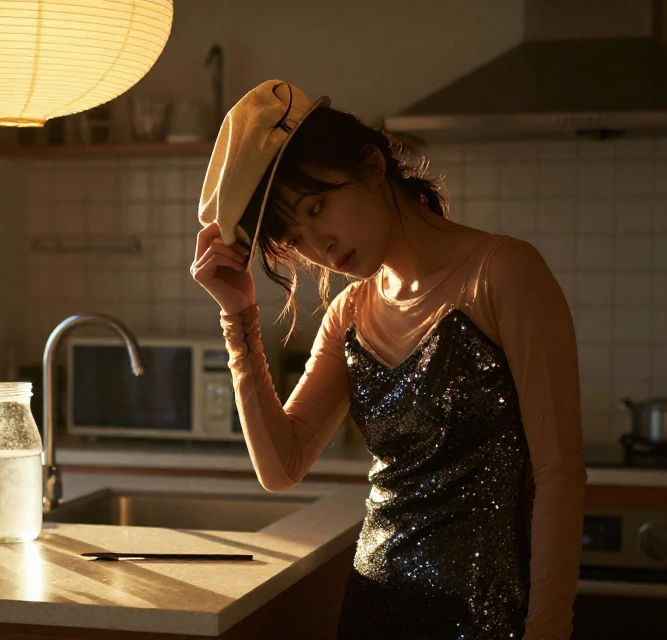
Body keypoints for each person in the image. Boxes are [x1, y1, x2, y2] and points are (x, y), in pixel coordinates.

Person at [191, 80, 586, 639]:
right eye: (295, 236)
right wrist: (238, 316)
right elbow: (281, 468)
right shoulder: (350, 312)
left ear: (373, 165)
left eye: (318, 206)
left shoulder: (502, 272)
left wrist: (548, 629)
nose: (319, 245)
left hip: (489, 617)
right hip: (375, 610)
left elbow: (559, 474)